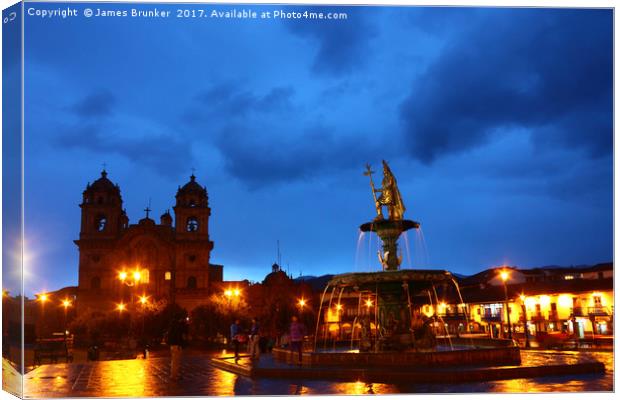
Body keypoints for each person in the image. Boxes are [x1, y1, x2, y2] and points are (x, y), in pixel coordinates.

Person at [167, 315, 188, 381]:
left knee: (174, 361)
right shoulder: (177, 328)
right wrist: (180, 345)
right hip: (177, 346)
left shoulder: (171, 327)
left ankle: (174, 375)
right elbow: (179, 337)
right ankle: (174, 376)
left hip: (172, 346)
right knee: (176, 362)